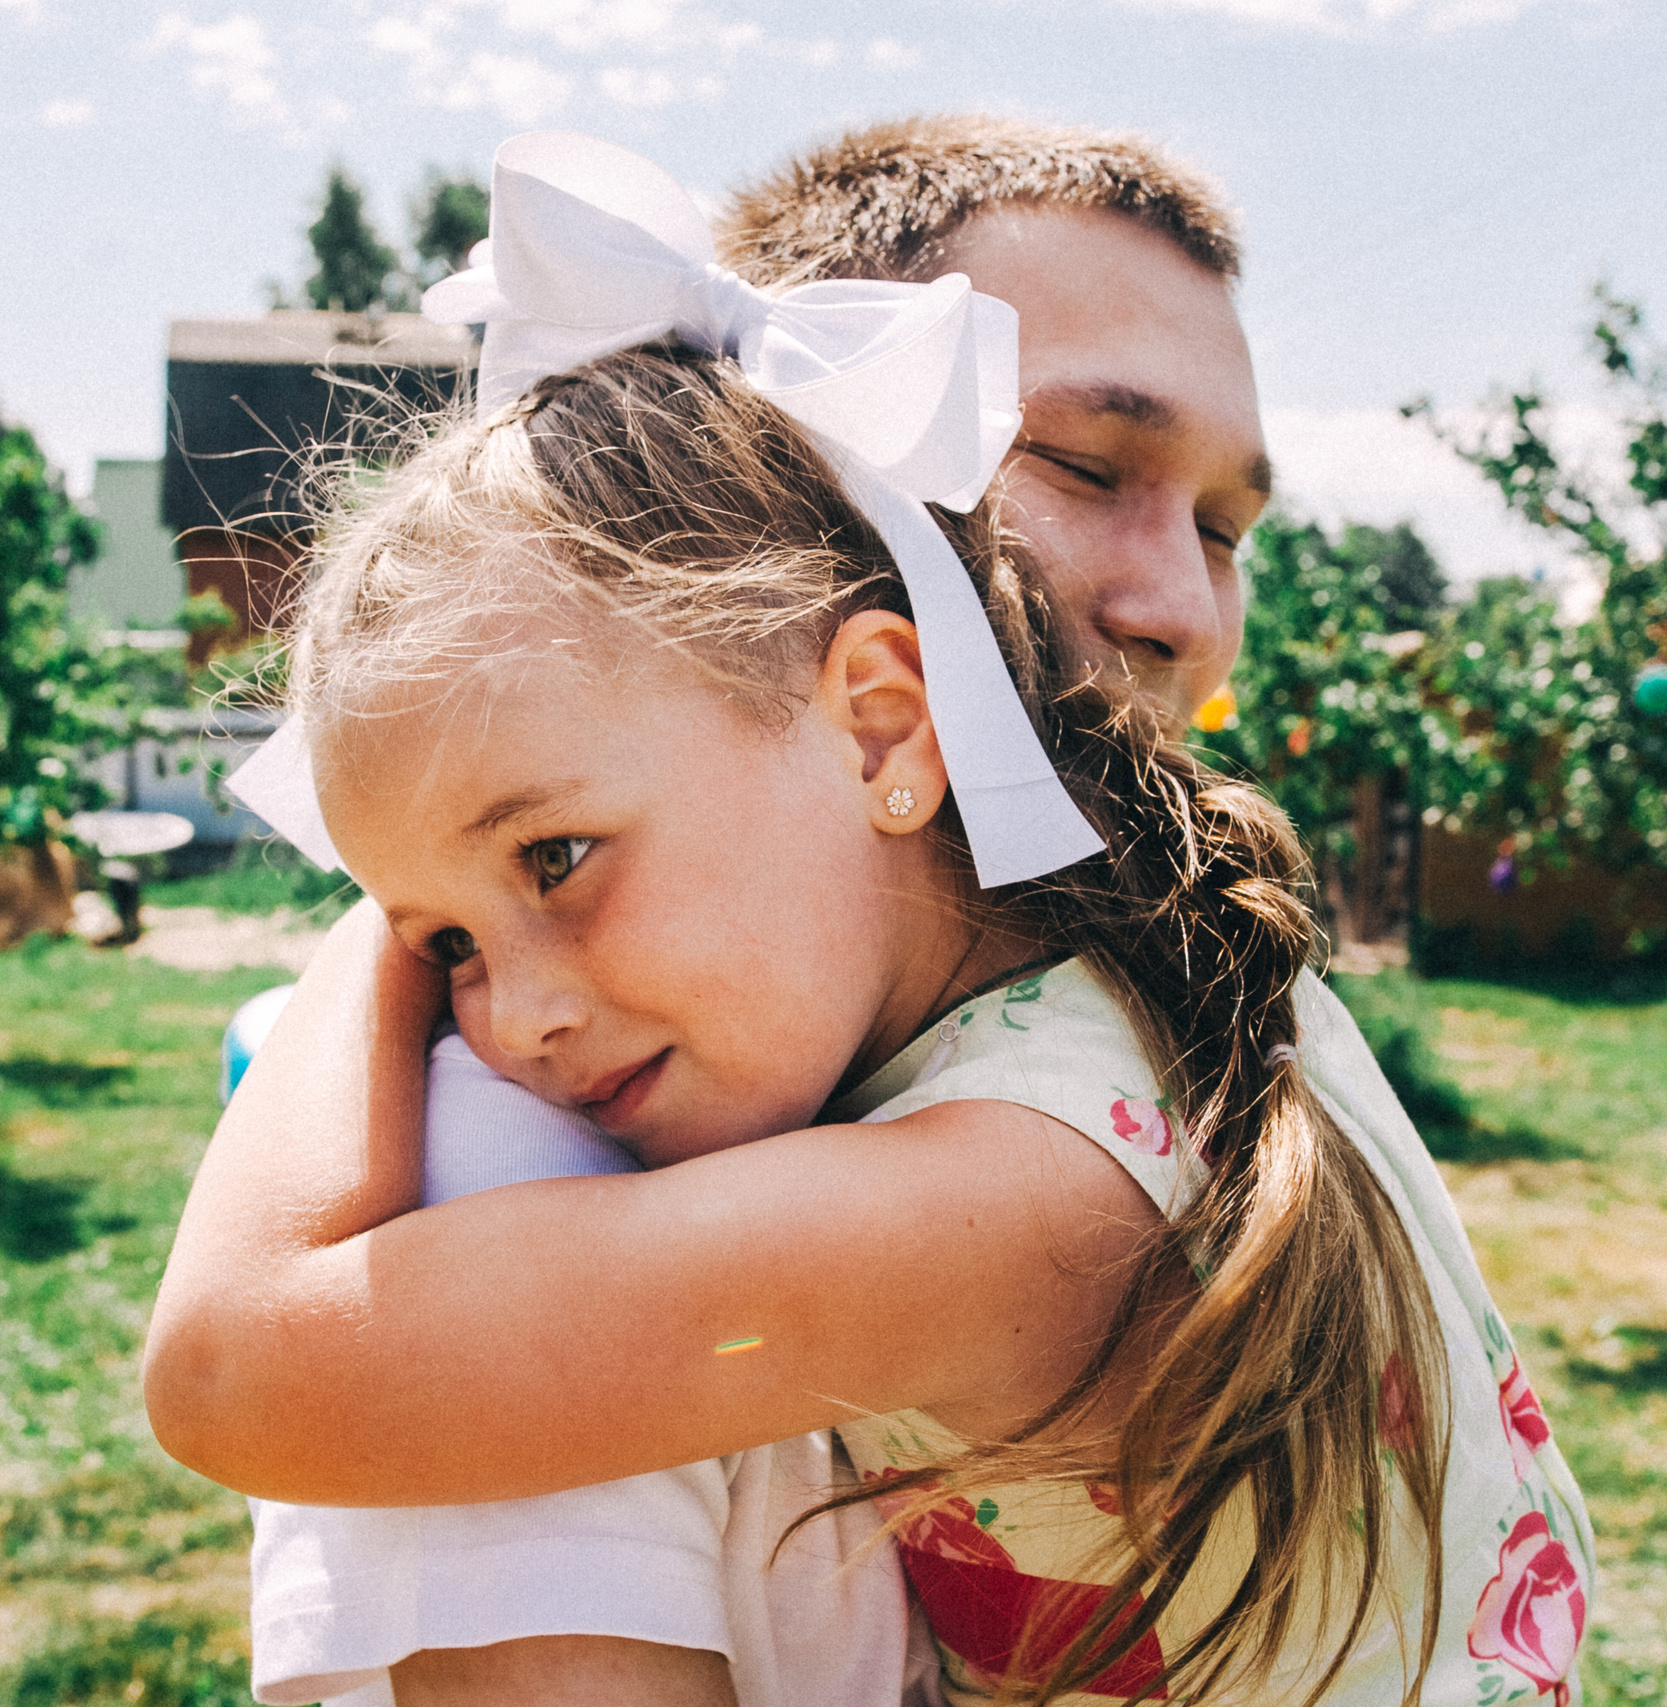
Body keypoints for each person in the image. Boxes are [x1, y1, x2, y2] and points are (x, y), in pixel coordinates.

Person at [152, 129, 1594, 1706]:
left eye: (560, 854)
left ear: (883, 723)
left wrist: (404, 891)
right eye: (1087, 466)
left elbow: (237, 1363)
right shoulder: (1155, 983)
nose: (1185, 604)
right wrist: (475, 838)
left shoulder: (1020, 1190)